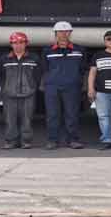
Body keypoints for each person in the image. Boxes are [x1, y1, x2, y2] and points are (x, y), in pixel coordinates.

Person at [41, 21, 88, 150]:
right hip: (52, 87)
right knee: (52, 115)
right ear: (55, 33)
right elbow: (45, 68)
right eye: (60, 32)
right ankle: (52, 140)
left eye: (66, 31)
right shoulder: (47, 50)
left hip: (72, 87)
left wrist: (77, 81)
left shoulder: (80, 50)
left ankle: (73, 140)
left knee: (72, 114)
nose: (63, 34)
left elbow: (82, 68)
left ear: (70, 33)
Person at [0, 32, 41, 149]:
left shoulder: (34, 58)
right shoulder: (4, 59)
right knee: (10, 119)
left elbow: (38, 75)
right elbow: (0, 76)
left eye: (21, 42)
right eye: (15, 43)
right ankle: (11, 141)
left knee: (27, 119)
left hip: (28, 94)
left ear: (26, 44)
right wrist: (6, 88)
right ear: (11, 44)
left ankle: (26, 141)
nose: (18, 45)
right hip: (9, 94)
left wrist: (32, 87)